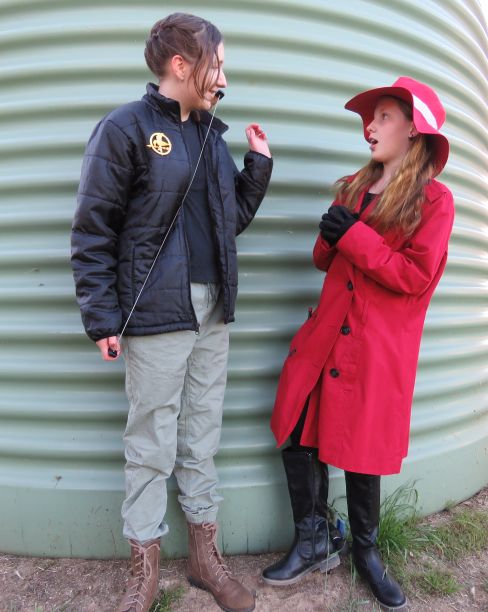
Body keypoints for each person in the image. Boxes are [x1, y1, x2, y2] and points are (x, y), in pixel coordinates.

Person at [71, 12, 272, 612]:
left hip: (214, 308)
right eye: (217, 63)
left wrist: (256, 169)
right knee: (151, 441)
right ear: (181, 65)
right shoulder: (126, 128)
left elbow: (226, 224)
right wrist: (102, 317)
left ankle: (206, 561)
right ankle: (144, 575)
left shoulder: (212, 136)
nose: (224, 77)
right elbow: (93, 229)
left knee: (201, 435)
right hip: (156, 309)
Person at [262, 77, 453, 610]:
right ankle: (315, 537)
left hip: (373, 345)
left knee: (362, 451)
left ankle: (367, 552)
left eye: (384, 116)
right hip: (325, 334)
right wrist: (331, 233)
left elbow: (414, 276)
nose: (370, 126)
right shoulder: (352, 185)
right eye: (370, 118)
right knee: (298, 430)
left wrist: (353, 235)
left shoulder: (434, 200)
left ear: (415, 128)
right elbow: (325, 261)